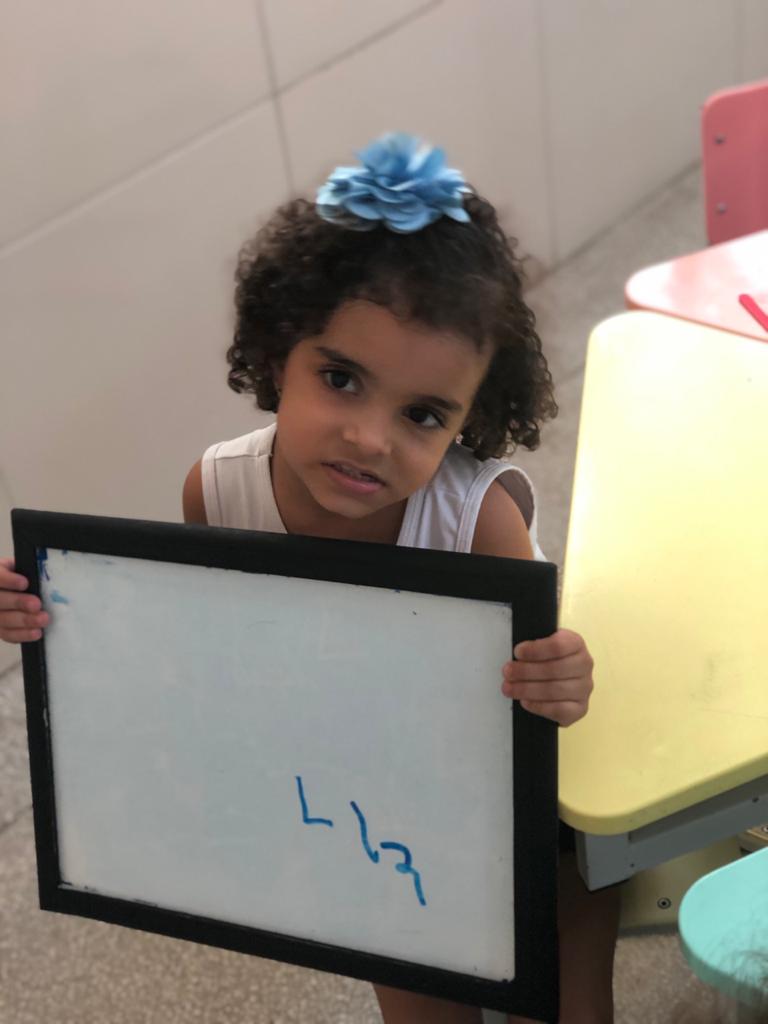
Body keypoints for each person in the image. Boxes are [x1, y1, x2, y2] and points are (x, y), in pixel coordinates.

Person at [0, 133, 620, 1022]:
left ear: (468, 421)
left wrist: (562, 678)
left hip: (517, 821)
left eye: (423, 414)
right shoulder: (218, 490)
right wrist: (60, 622)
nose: (370, 438)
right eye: (340, 378)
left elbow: (542, 702)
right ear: (276, 353)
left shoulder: (477, 520)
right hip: (370, 822)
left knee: (570, 999)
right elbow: (206, 657)